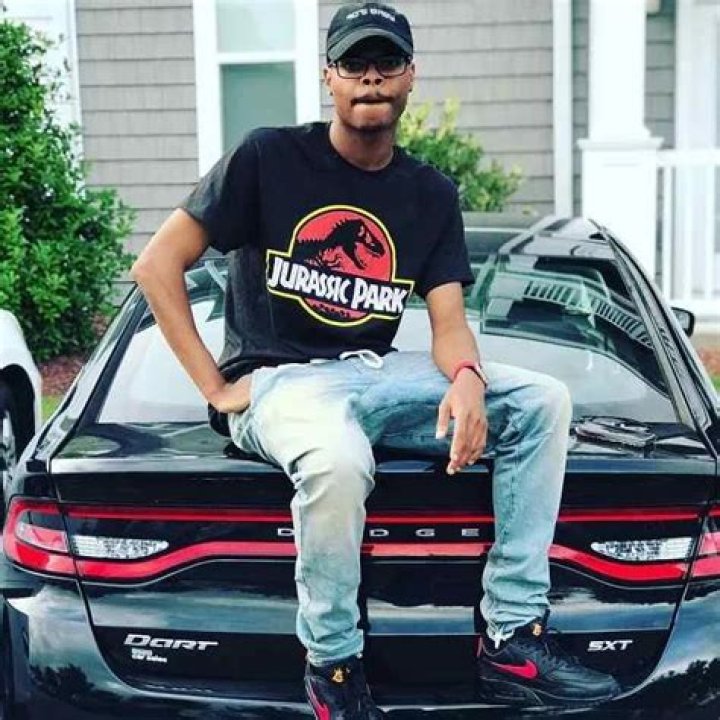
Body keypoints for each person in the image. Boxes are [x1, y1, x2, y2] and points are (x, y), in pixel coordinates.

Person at [131, 3, 621, 717]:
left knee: (542, 402)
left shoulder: (429, 194)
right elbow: (156, 265)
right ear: (328, 76)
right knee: (337, 461)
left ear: (409, 76)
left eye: (386, 62)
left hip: (375, 373)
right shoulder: (267, 159)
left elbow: (448, 323)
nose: (370, 77)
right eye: (353, 63)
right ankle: (332, 667)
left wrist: (468, 378)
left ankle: (511, 638)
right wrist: (215, 384)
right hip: (283, 384)